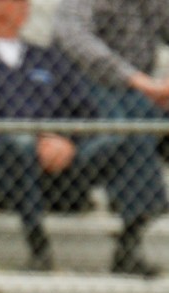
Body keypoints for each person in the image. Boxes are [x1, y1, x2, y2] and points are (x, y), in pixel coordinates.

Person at [0, 0, 168, 275]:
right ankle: (39, 249)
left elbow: (84, 112)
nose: (6, 8)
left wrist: (66, 141)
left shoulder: (47, 59)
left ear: (26, 10)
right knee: (20, 143)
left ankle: (129, 245)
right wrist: (36, 139)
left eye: (15, 2)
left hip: (56, 171)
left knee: (129, 138)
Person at [53, 0, 169, 271]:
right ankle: (134, 233)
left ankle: (138, 215)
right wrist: (136, 80)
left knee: (139, 115)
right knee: (135, 126)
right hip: (82, 87)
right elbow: (75, 40)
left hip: (136, 92)